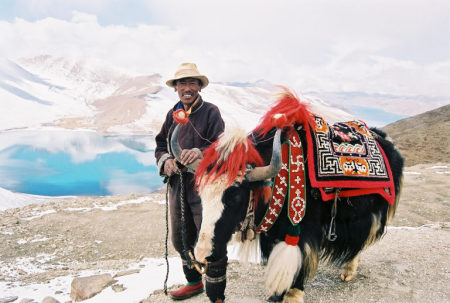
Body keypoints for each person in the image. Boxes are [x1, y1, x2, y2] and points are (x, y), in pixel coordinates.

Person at [155, 63, 225, 301]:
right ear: (176, 88)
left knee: (209, 239)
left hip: (205, 186)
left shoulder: (211, 112)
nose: (187, 88)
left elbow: (220, 145)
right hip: (178, 184)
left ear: (199, 86)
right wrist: (165, 161)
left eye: (192, 83)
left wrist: (200, 151)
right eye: (182, 83)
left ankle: (216, 296)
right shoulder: (172, 113)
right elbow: (161, 144)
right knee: (181, 237)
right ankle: (194, 283)